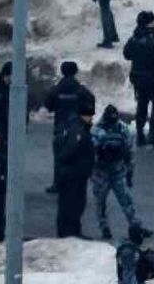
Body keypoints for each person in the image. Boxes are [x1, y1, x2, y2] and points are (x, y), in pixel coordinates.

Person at [91, 105, 140, 239]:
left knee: (125, 200)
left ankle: (134, 225)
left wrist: (130, 171)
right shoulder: (98, 130)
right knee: (101, 202)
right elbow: (91, 153)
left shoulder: (122, 129)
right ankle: (105, 227)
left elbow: (130, 151)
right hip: (102, 172)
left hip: (115, 171)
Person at [123, 11, 154, 147]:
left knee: (141, 106)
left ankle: (140, 135)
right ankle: (152, 135)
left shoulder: (133, 39)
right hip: (153, 79)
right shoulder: (153, 41)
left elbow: (126, 54)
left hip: (138, 78)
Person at [53, 102, 94, 238]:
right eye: (89, 116)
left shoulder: (76, 127)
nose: (91, 118)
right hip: (74, 174)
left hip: (74, 173)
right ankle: (69, 232)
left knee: (72, 204)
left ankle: (69, 231)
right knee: (73, 204)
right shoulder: (78, 130)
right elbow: (70, 151)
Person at [45, 60, 95, 142]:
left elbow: (48, 105)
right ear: (76, 71)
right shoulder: (81, 90)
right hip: (78, 127)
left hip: (60, 126)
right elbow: (90, 104)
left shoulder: (56, 89)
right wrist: (87, 122)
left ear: (62, 71)